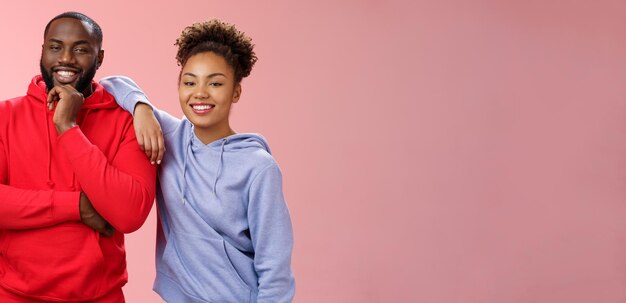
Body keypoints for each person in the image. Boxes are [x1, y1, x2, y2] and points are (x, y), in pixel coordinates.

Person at [101, 19, 295, 302]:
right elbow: (110, 84)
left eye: (215, 83)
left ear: (236, 92)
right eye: (190, 82)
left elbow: (274, 266)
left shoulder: (258, 167)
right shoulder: (169, 136)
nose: (200, 93)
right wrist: (141, 108)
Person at [0, 12, 157, 302]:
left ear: (100, 58)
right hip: (13, 295)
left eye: (81, 49)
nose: (67, 59)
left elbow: (130, 213)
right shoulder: (5, 116)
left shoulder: (128, 122)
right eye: (55, 46)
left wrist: (68, 127)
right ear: (43, 50)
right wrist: (76, 206)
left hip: (100, 296)